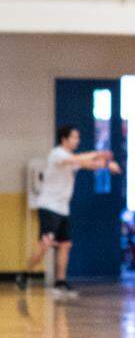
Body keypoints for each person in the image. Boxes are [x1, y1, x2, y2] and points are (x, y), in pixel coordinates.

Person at [16, 125, 121, 297]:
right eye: (74, 137)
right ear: (64, 139)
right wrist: (97, 153)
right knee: (45, 244)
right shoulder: (57, 154)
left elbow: (89, 164)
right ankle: (25, 274)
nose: (77, 141)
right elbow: (76, 160)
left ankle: (60, 282)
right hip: (49, 207)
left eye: (78, 138)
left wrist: (107, 165)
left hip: (63, 209)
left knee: (65, 245)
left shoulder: (73, 158)